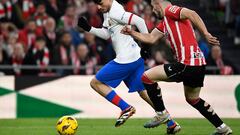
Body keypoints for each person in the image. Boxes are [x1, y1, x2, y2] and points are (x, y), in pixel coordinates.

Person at [121, 0, 233, 134]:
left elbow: (192, 13)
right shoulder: (166, 22)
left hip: (187, 63)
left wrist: (205, 33)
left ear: (158, 3)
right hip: (198, 64)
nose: (153, 10)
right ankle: (222, 128)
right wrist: (132, 33)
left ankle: (161, 113)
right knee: (193, 99)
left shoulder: (170, 10)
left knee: (146, 77)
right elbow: (151, 38)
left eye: (153, 7)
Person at [77, 0, 180, 133]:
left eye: (101, 3)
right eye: (97, 4)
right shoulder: (108, 10)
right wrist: (89, 28)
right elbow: (108, 34)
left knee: (96, 83)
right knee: (144, 93)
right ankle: (171, 123)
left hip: (126, 60)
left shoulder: (115, 11)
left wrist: (146, 44)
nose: (98, 7)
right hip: (135, 57)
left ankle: (125, 108)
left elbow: (140, 21)